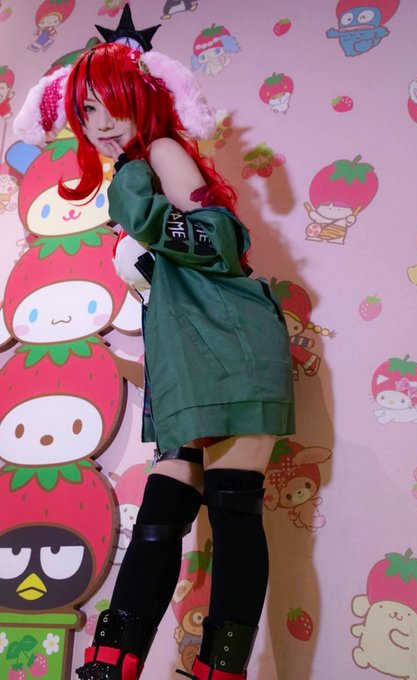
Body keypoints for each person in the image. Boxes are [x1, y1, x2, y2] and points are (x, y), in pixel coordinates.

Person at [56, 41, 294, 679]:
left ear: (142, 98)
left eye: (111, 103)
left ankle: (217, 669)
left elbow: (220, 241)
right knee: (163, 513)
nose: (100, 122)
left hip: (231, 342)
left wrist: (132, 197)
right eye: (87, 110)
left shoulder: (157, 153)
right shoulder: (138, 165)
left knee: (232, 504)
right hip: (185, 355)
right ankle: (111, 663)